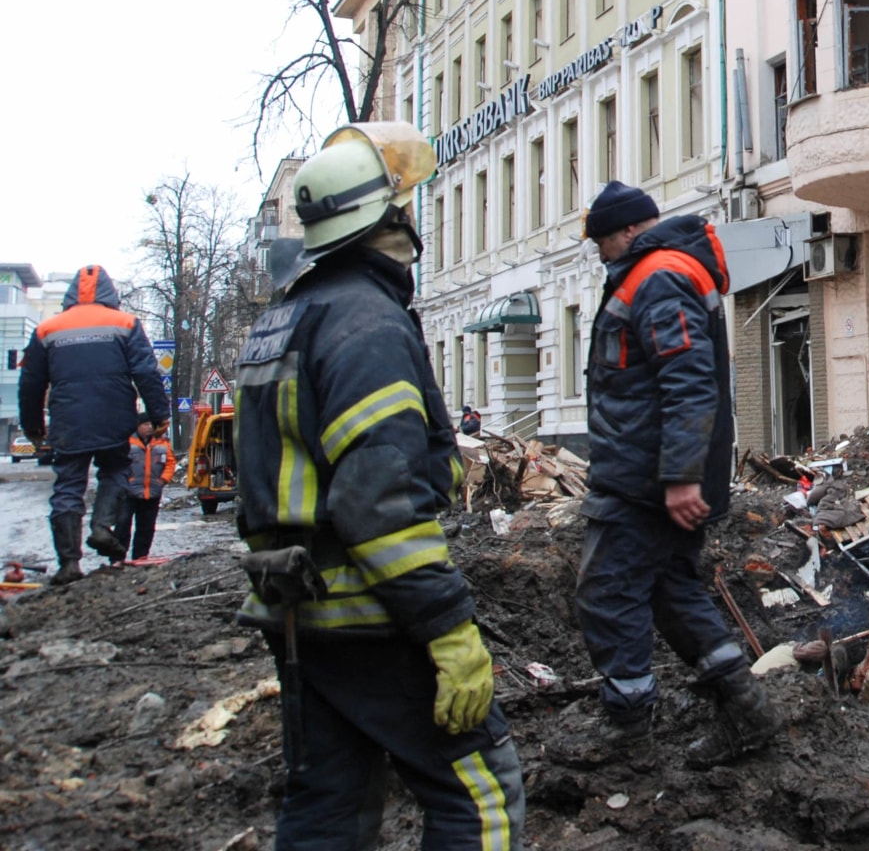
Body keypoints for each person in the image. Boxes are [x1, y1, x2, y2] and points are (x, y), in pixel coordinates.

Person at [233, 122, 523, 849]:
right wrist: (448, 628)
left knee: (328, 805)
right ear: (384, 218)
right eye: (407, 202)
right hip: (368, 611)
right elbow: (376, 505)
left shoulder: (286, 317)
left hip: (296, 611)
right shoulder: (366, 324)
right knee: (480, 798)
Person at [573, 180, 779, 767]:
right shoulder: (663, 273)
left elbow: (688, 384)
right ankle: (747, 713)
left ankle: (627, 731)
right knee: (672, 593)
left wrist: (680, 477)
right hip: (654, 476)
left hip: (645, 481)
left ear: (627, 231)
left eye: (602, 242)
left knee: (607, 592)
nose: (600, 254)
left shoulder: (657, 276)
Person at [15, 265, 169, 585]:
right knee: (114, 471)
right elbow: (146, 372)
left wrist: (33, 428)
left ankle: (69, 562)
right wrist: (159, 414)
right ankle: (102, 526)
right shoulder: (125, 323)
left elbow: (30, 383)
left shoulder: (47, 329)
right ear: (108, 293)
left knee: (68, 486)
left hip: (68, 422)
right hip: (115, 419)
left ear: (72, 293)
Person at [113, 419, 176, 562]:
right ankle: (117, 558)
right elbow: (119, 464)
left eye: (150, 425)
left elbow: (170, 463)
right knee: (122, 525)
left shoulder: (162, 443)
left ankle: (140, 558)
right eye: (145, 424)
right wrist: (127, 481)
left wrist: (163, 480)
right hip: (128, 493)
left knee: (146, 528)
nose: (149, 428)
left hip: (152, 493)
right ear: (138, 426)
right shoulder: (127, 443)